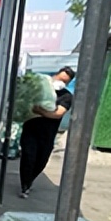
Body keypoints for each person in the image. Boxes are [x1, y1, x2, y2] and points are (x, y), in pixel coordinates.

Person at [19, 66, 75, 198]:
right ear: (55, 75)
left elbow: (58, 114)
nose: (60, 83)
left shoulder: (66, 96)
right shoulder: (40, 89)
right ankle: (25, 185)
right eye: (60, 79)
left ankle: (30, 180)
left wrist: (41, 112)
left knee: (41, 161)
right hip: (31, 129)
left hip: (47, 134)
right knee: (28, 156)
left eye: (65, 81)